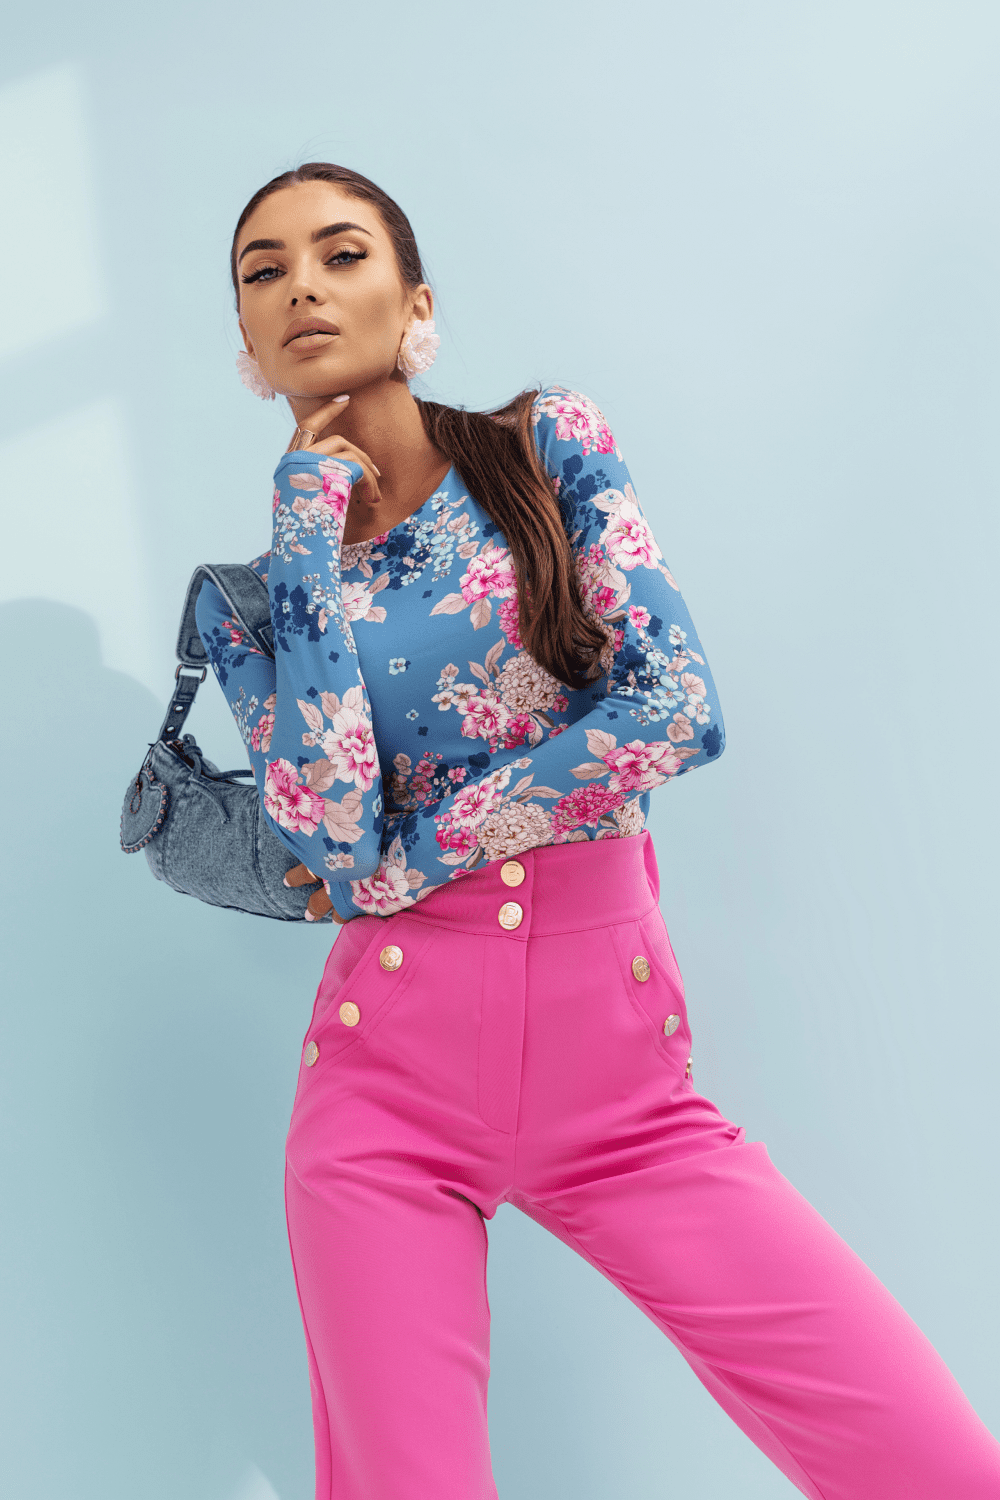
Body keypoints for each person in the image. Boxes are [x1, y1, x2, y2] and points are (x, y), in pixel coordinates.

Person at [195, 162, 1000, 1500]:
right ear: (245, 338)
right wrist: (304, 535)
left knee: (936, 1464)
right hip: (384, 1088)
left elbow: (675, 707)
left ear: (416, 304)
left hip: (618, 1089)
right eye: (263, 273)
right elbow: (332, 839)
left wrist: (425, 850)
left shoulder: (542, 448)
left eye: (340, 254)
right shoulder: (255, 600)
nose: (302, 290)